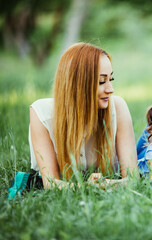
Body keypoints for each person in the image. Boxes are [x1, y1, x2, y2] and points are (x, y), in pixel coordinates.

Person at [29, 42, 138, 189]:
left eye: (110, 79)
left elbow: (133, 179)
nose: (110, 89)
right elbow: (50, 183)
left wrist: (104, 184)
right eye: (101, 81)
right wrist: (89, 187)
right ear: (78, 84)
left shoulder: (118, 107)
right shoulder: (42, 114)